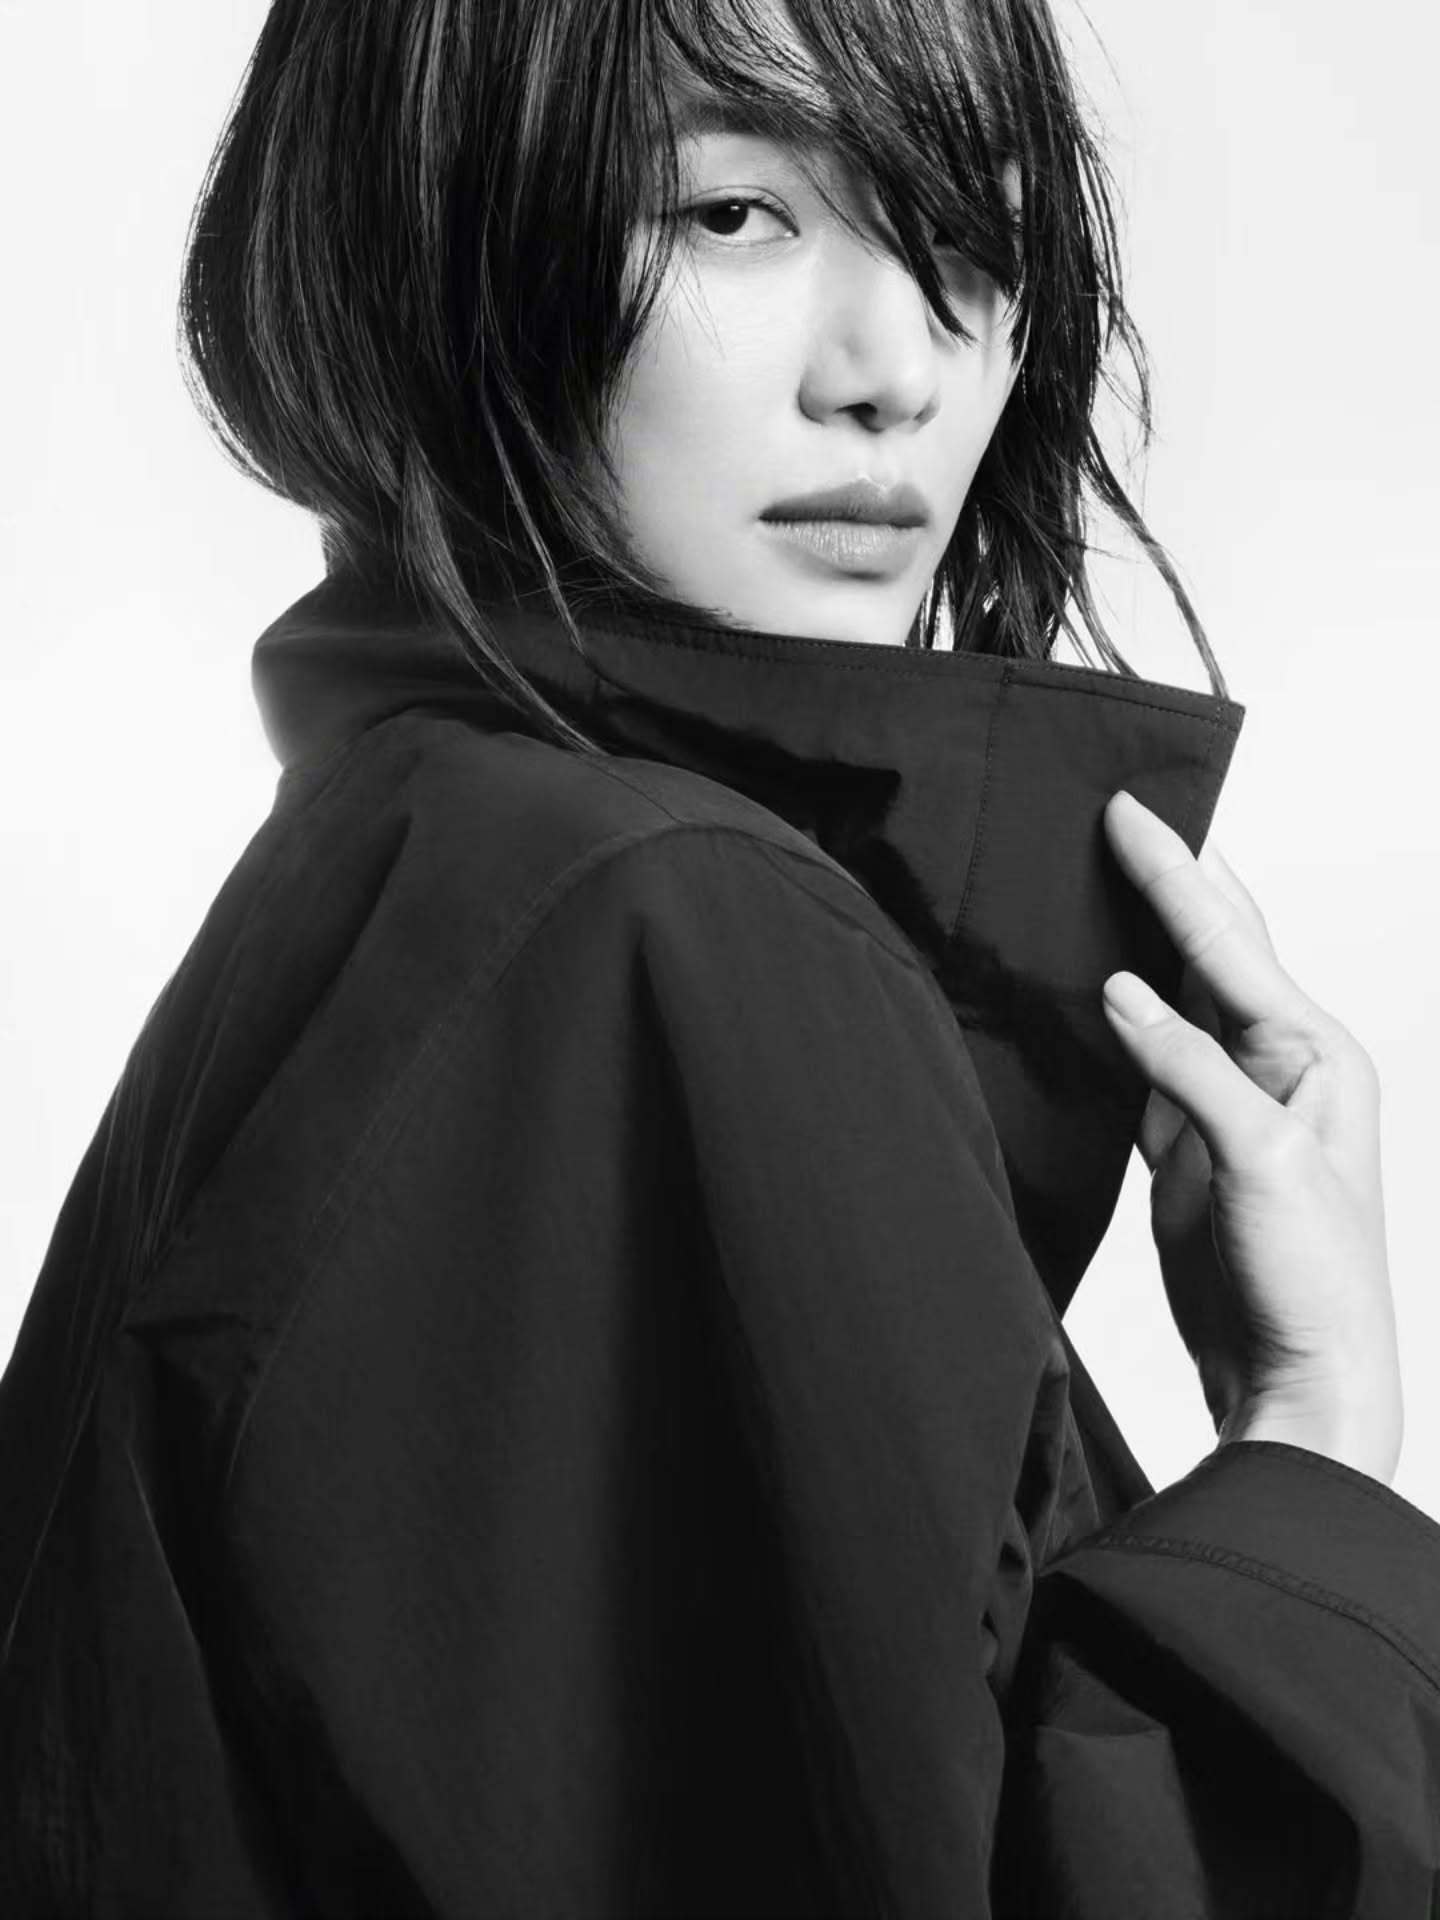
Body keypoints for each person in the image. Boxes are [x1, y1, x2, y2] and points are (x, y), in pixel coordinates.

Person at [1, 0, 1436, 1911]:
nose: (894, 372)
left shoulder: (416, 854)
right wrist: (1312, 1437)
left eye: (963, 232)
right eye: (733, 213)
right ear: (437, 228)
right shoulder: (664, 922)